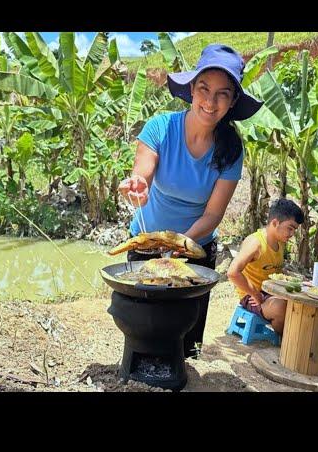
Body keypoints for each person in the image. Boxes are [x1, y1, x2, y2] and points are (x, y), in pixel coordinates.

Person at [118, 44, 264, 359]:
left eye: (223, 94)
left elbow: (213, 214)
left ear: (233, 101)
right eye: (204, 89)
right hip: (146, 243)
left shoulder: (231, 149)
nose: (211, 102)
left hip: (195, 249)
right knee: (142, 328)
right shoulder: (161, 127)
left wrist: (180, 244)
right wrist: (137, 187)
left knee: (182, 341)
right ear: (191, 89)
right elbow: (142, 175)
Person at [227, 198, 304, 334]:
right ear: (275, 222)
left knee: (304, 301)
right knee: (282, 307)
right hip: (252, 297)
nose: (292, 234)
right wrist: (255, 293)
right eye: (290, 228)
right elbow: (233, 272)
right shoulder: (255, 243)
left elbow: (274, 269)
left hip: (272, 293)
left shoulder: (280, 242)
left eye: (294, 230)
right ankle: (286, 340)